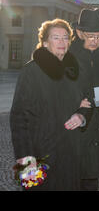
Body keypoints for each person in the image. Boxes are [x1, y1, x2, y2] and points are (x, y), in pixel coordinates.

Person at [10, 19, 92, 191]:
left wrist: (81, 115)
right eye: (56, 38)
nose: (62, 42)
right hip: (38, 152)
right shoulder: (31, 71)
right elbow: (19, 116)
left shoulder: (75, 71)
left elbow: (88, 99)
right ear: (45, 42)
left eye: (65, 38)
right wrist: (25, 157)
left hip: (71, 152)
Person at [69, 8, 99, 191]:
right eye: (91, 36)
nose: (95, 41)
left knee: (91, 175)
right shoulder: (68, 54)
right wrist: (74, 101)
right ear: (80, 33)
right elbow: (57, 89)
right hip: (76, 121)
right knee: (73, 174)